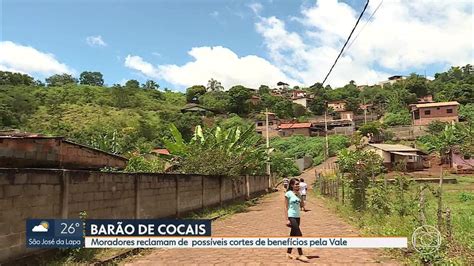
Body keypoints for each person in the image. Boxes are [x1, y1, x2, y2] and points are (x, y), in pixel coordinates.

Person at [284, 178, 309, 262]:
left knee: (293, 235)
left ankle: (288, 253)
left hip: (298, 216)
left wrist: (301, 196)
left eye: (298, 184)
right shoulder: (288, 194)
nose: (298, 185)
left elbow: (301, 205)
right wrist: (287, 219)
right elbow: (286, 207)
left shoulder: (299, 194)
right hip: (291, 216)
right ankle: (300, 254)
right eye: (296, 184)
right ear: (292, 185)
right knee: (299, 234)